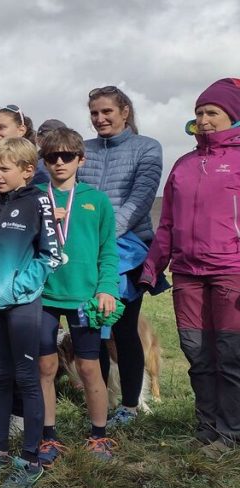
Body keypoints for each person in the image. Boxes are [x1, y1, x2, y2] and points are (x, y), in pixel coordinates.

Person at [141, 78, 240, 455]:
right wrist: (153, 266)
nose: (204, 120)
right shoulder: (183, 166)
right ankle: (207, 427)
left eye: (212, 113)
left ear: (232, 117)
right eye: (199, 113)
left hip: (231, 270)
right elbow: (166, 224)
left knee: (230, 354)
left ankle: (231, 434)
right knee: (197, 353)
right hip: (187, 275)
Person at [0, 137, 61, 488]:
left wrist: (18, 286)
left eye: (4, 169)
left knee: (26, 378)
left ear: (27, 170)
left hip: (22, 304)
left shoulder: (38, 200)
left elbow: (53, 254)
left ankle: (30, 459)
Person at [78, 85, 163, 429]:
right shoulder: (82, 150)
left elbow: (140, 200)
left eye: (106, 112)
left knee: (124, 329)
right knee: (89, 326)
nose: (99, 119)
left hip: (127, 248)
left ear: (124, 111)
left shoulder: (148, 148)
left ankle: (129, 405)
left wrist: (103, 236)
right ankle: (99, 403)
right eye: (94, 113)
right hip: (84, 249)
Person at [35, 128, 118, 463]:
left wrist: (107, 288)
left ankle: (99, 435)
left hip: (85, 297)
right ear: (44, 160)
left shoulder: (96, 201)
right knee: (45, 365)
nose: (59, 162)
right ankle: (48, 437)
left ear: (80, 159)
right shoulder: (35, 196)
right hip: (43, 295)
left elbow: (108, 252)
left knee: (88, 366)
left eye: (67, 156)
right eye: (52, 156)